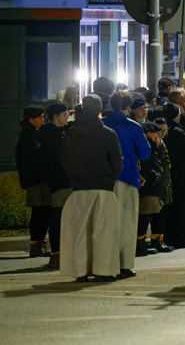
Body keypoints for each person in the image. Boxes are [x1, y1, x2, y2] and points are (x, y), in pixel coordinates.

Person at [60, 94, 123, 282]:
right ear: (99, 110)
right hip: (103, 186)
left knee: (80, 232)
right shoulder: (108, 134)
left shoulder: (70, 134)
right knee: (104, 231)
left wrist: (73, 176)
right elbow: (117, 163)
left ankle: (80, 271)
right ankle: (103, 270)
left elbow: (64, 160)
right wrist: (110, 176)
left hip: (79, 187)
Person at [103, 90, 151, 278]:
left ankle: (106, 263)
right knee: (127, 223)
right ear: (128, 106)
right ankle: (124, 264)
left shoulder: (103, 124)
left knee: (106, 223)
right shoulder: (133, 127)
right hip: (128, 176)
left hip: (105, 179)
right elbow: (145, 152)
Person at [15, 105, 51, 259]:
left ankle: (37, 244)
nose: (43, 120)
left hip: (36, 180)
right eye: (40, 117)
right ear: (31, 120)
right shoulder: (29, 137)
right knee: (40, 213)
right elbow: (36, 158)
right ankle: (36, 245)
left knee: (41, 212)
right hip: (37, 181)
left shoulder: (29, 135)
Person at [40, 102, 72, 268]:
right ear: (56, 116)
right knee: (59, 220)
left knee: (60, 219)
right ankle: (57, 256)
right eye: (65, 114)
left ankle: (58, 255)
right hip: (61, 182)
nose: (68, 117)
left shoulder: (56, 132)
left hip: (60, 182)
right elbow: (60, 159)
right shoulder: (52, 135)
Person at [137, 120, 173, 256]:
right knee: (145, 216)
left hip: (159, 187)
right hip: (149, 188)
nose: (159, 136)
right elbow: (147, 164)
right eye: (157, 134)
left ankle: (157, 239)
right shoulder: (146, 146)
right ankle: (140, 244)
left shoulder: (157, 145)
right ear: (148, 133)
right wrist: (153, 175)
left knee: (159, 215)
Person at [161, 103, 185, 249]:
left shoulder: (162, 130)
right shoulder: (180, 133)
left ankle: (168, 236)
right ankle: (182, 237)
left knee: (169, 207)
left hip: (167, 173)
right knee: (182, 206)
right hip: (181, 175)